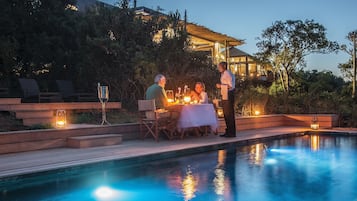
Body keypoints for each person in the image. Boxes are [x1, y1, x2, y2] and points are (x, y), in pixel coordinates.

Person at [216, 62, 236, 137]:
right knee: (226, 114)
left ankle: (231, 132)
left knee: (229, 113)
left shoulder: (227, 73)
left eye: (219, 67)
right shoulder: (224, 74)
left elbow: (231, 86)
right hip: (225, 94)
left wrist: (220, 86)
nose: (218, 68)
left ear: (223, 67)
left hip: (228, 95)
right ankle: (228, 130)